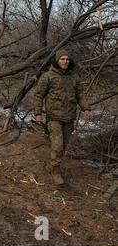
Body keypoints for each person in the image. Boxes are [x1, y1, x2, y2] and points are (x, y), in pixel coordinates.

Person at [33, 48, 91, 185]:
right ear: (57, 60)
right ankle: (55, 172)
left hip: (69, 116)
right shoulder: (48, 76)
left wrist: (86, 108)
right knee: (57, 145)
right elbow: (38, 95)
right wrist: (38, 113)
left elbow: (80, 95)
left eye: (67, 59)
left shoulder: (74, 77)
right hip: (54, 117)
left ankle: (52, 166)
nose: (65, 61)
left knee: (63, 145)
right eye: (62, 59)